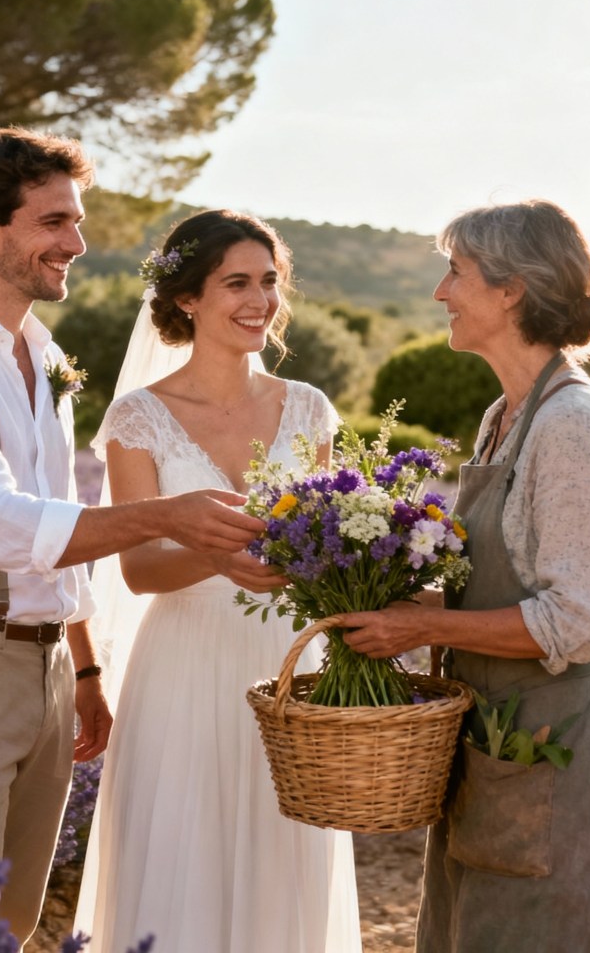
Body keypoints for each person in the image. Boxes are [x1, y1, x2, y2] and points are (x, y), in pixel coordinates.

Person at [0, 128, 265, 947]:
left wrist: (82, 666)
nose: (76, 244)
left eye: (76, 223)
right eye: (53, 223)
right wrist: (165, 516)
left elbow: (53, 512)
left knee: (6, 928)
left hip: (43, 670)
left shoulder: (42, 359)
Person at [341, 200, 590, 952]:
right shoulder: (503, 415)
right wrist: (381, 594)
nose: (442, 292)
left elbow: (576, 622)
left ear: (511, 289)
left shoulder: (571, 425)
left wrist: (423, 625)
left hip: (549, 753)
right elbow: (504, 590)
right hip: (490, 744)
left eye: (456, 272)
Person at [72, 209, 362, 953]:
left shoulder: (308, 408)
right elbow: (137, 570)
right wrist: (217, 553)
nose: (259, 300)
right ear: (188, 299)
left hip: (291, 667)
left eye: (269, 281)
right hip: (184, 666)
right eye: (236, 282)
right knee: (183, 868)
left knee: (283, 862)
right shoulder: (140, 417)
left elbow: (331, 549)